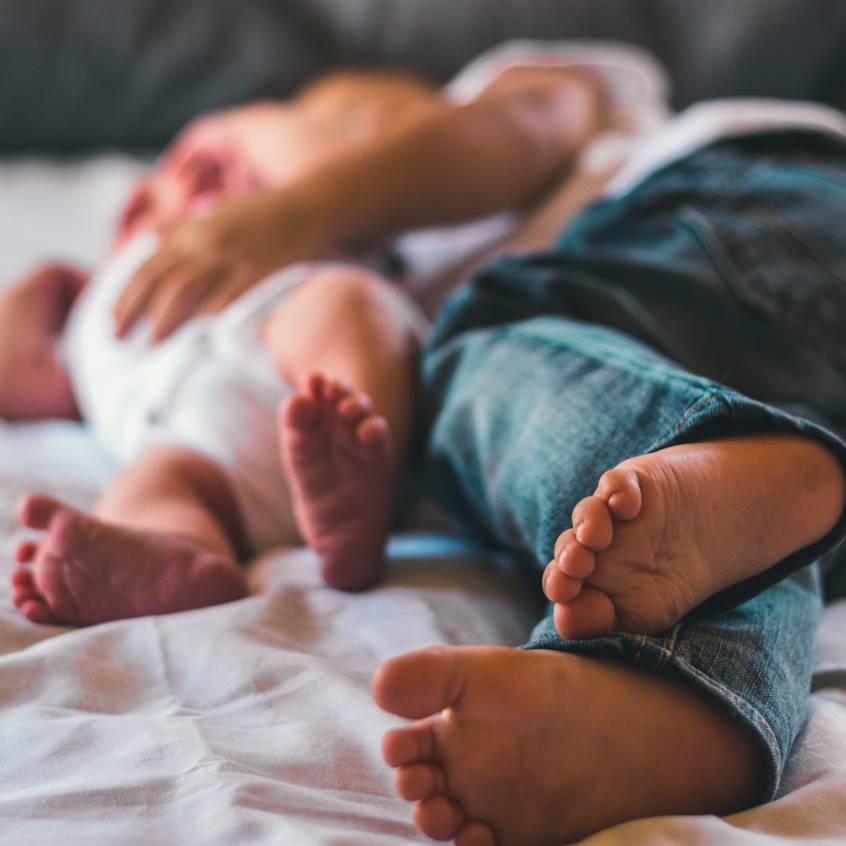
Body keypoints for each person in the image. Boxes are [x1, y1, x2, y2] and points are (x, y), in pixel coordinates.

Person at [367, 102, 846, 844]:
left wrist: (285, 212)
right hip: (783, 228)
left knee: (479, 348)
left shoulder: (589, 102)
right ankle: (673, 700)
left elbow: (527, 116)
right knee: (765, 540)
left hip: (765, 201)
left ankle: (694, 450)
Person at [4, 55, 609, 626]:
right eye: (206, 160)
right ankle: (170, 558)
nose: (207, 170)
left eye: (248, 162)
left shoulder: (341, 254)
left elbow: (533, 119)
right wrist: (46, 291)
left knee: (346, 307)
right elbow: (24, 377)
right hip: (187, 446)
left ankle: (359, 465)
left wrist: (294, 211)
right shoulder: (103, 288)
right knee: (153, 487)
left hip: (283, 370)